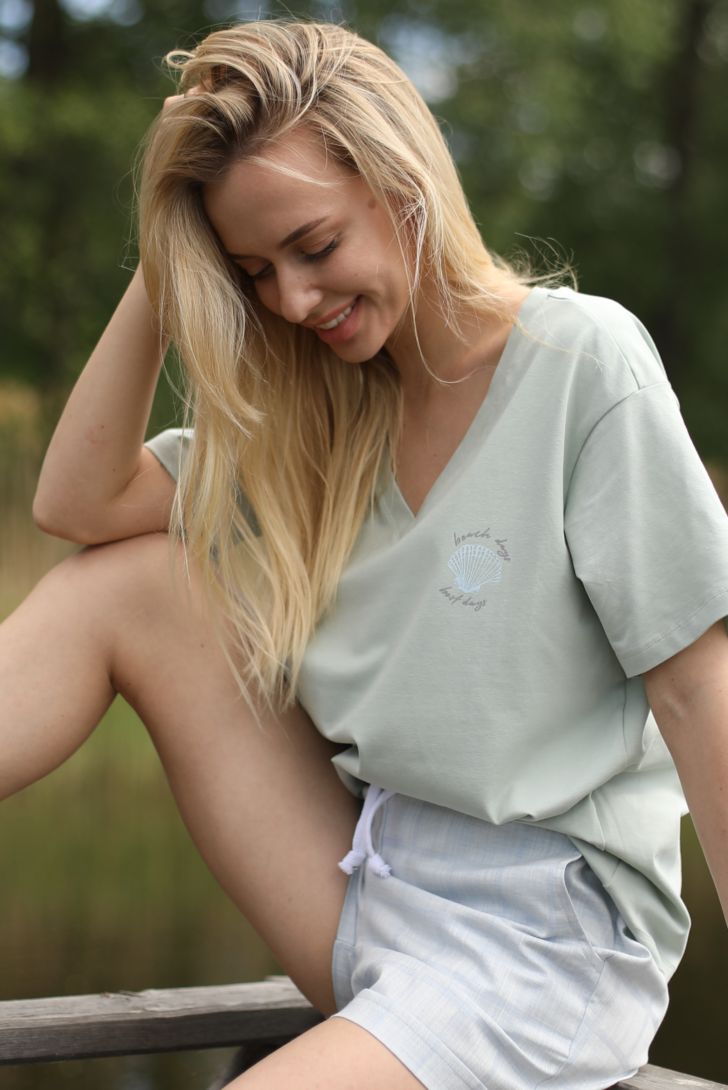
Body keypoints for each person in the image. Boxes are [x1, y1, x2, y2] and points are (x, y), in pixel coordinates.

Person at [2, 18, 727, 1090]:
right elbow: (78, 502)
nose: (291, 301)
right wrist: (171, 250)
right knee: (129, 584)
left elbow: (699, 692)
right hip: (365, 886)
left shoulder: (580, 363)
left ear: (400, 179)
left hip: (541, 943)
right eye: (253, 269)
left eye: (314, 246)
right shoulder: (327, 415)